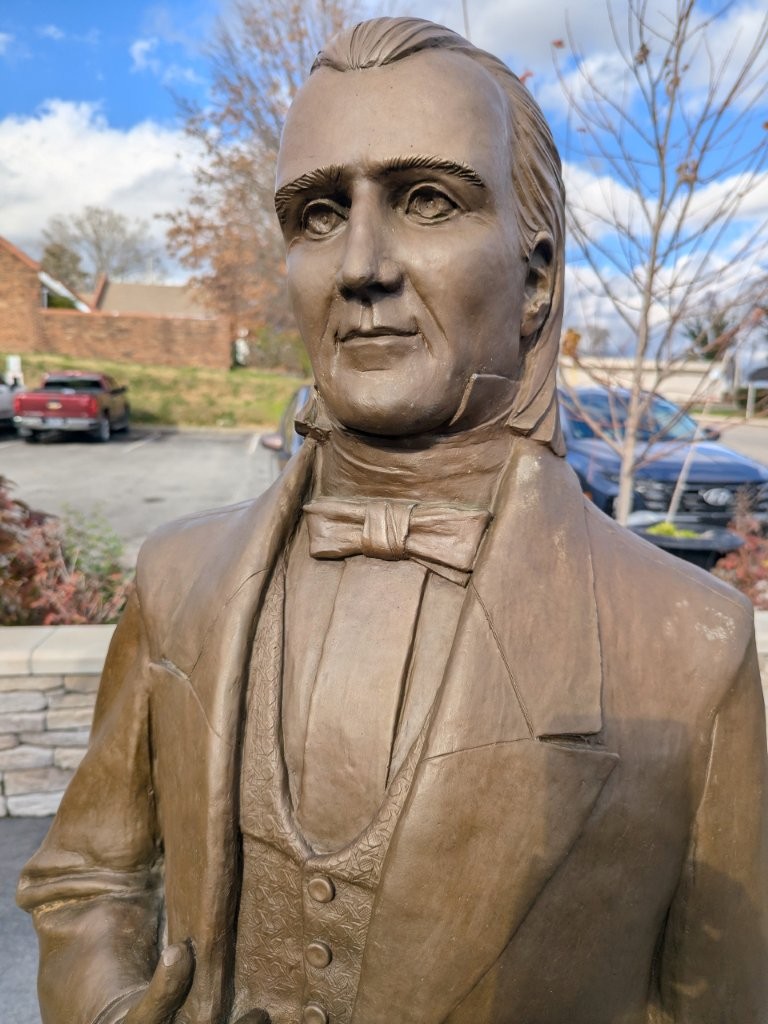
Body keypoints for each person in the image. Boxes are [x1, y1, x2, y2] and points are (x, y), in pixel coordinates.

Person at [18, 18, 767, 1024]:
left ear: (537, 278)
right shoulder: (178, 578)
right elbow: (83, 879)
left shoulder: (691, 649)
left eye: (425, 201)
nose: (360, 264)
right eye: (319, 214)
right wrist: (111, 1006)